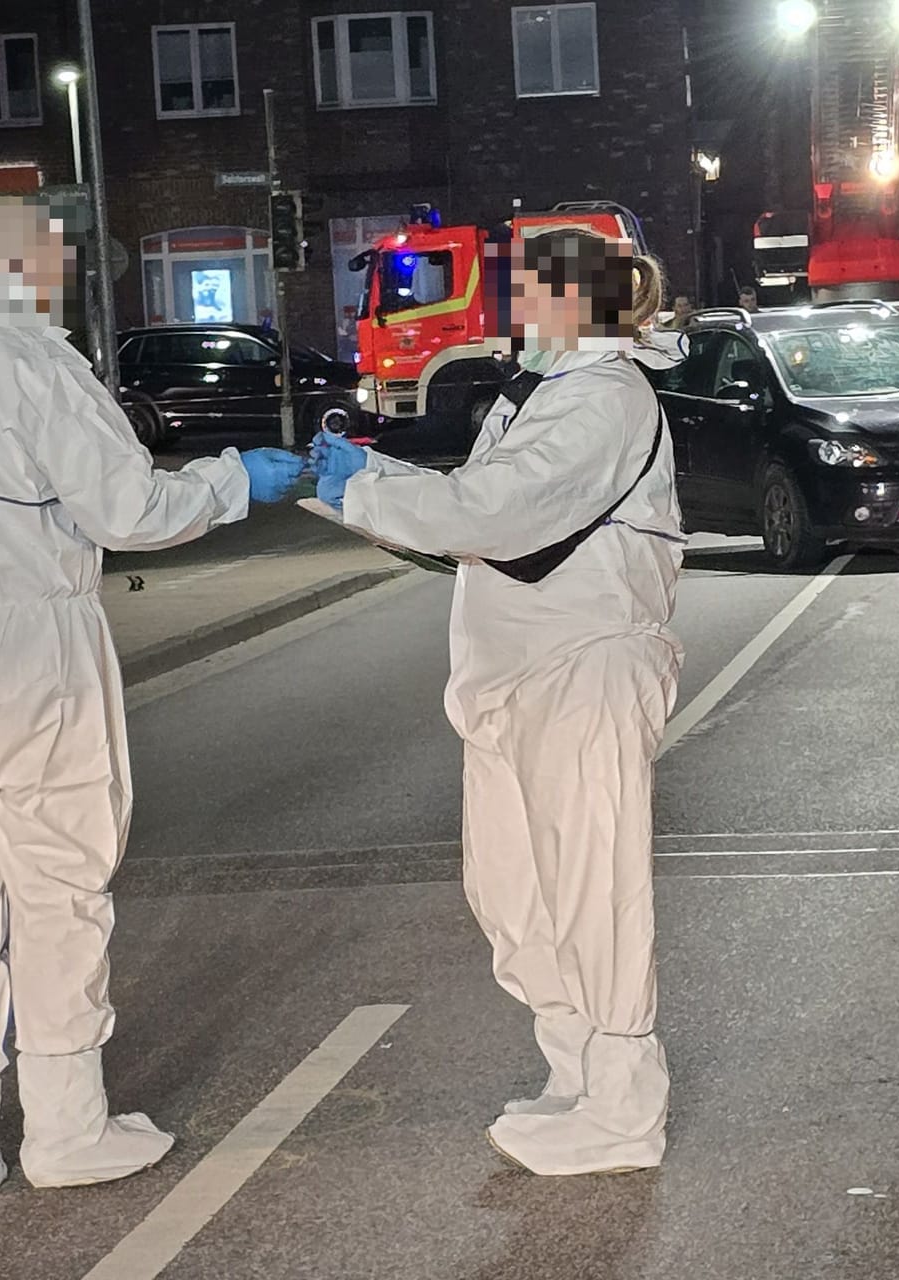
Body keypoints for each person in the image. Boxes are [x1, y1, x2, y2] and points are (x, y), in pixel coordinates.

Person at [0, 197, 305, 1201]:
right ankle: (68, 1126)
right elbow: (128, 506)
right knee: (57, 887)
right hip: (29, 643)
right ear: (11, 266)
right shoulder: (30, 359)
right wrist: (229, 480)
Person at [311, 229, 687, 1176]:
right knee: (516, 894)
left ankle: (623, 1109)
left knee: (593, 892)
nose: (514, 308)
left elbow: (503, 511)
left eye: (530, 291)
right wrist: (368, 483)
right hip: (515, 672)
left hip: (583, 663)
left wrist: (366, 486)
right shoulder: (548, 394)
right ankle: (576, 1078)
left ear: (579, 300)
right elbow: (477, 505)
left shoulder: (605, 396)